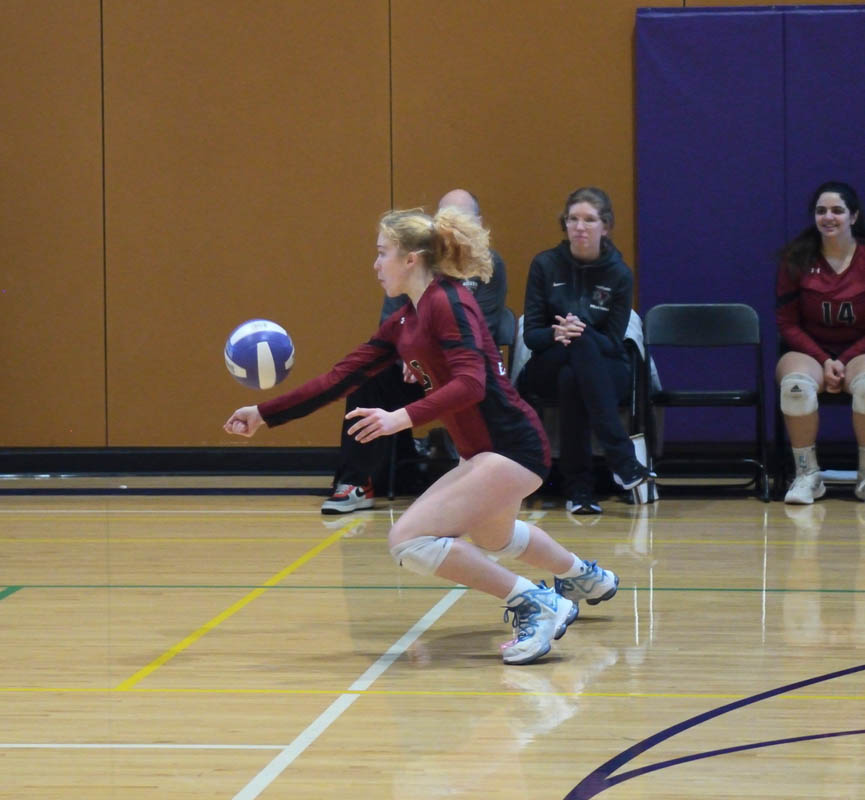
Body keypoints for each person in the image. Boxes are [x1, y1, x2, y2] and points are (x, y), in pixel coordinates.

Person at [224, 206, 619, 665]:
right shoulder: (406, 320)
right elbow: (339, 378)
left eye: (381, 253)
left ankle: (538, 602)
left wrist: (400, 418)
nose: (375, 265)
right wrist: (263, 412)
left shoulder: (449, 303)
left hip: (512, 447)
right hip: (485, 453)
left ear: (411, 258)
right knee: (495, 538)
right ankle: (584, 576)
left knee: (408, 540)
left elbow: (472, 383)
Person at [321, 188, 507, 514]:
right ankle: (356, 482)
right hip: (415, 371)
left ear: (477, 224)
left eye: (461, 218)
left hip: (463, 374)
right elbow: (390, 326)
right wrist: (411, 354)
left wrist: (427, 352)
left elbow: (483, 331)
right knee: (367, 378)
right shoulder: (414, 259)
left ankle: (487, 481)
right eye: (443, 218)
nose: (451, 225)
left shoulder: (490, 265)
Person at [519, 186, 649, 515]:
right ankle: (622, 460)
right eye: (573, 219)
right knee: (571, 360)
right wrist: (557, 333)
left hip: (605, 366)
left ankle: (580, 489)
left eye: (589, 220)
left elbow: (613, 342)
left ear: (605, 227)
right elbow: (532, 336)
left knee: (573, 377)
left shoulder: (619, 274)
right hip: (547, 360)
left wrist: (580, 333)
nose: (579, 227)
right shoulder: (545, 265)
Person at [776, 180, 865, 504]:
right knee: (795, 387)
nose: (829, 217)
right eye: (821, 211)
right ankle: (807, 475)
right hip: (809, 351)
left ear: (853, 217)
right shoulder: (797, 259)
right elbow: (786, 322)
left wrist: (844, 359)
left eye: (837, 210)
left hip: (859, 351)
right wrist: (824, 359)